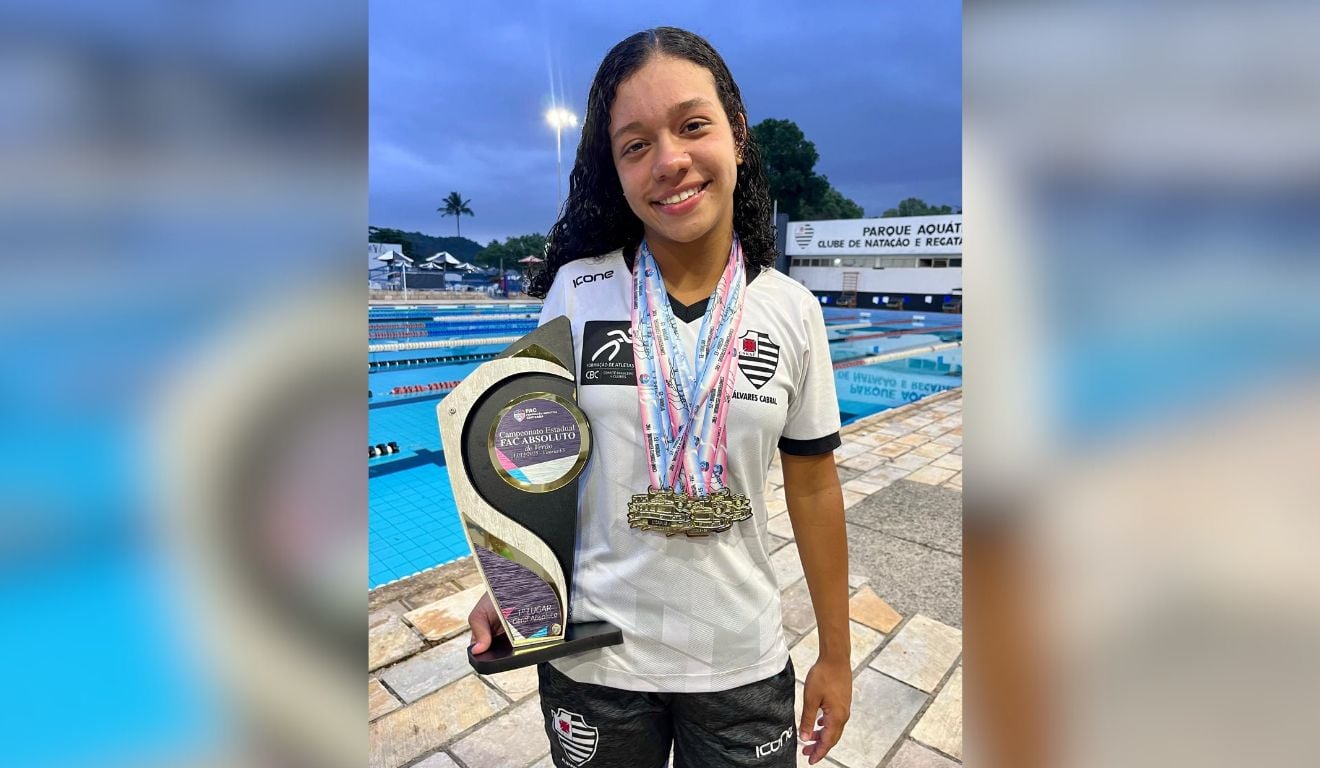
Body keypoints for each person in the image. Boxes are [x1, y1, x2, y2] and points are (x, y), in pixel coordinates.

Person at [469, 27, 851, 767]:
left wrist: (836, 655)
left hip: (738, 658)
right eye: (635, 144)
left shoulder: (790, 309)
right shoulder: (577, 293)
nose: (669, 160)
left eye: (692, 126)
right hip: (598, 657)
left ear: (736, 136)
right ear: (614, 170)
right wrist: (512, 580)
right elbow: (536, 460)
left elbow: (812, 484)